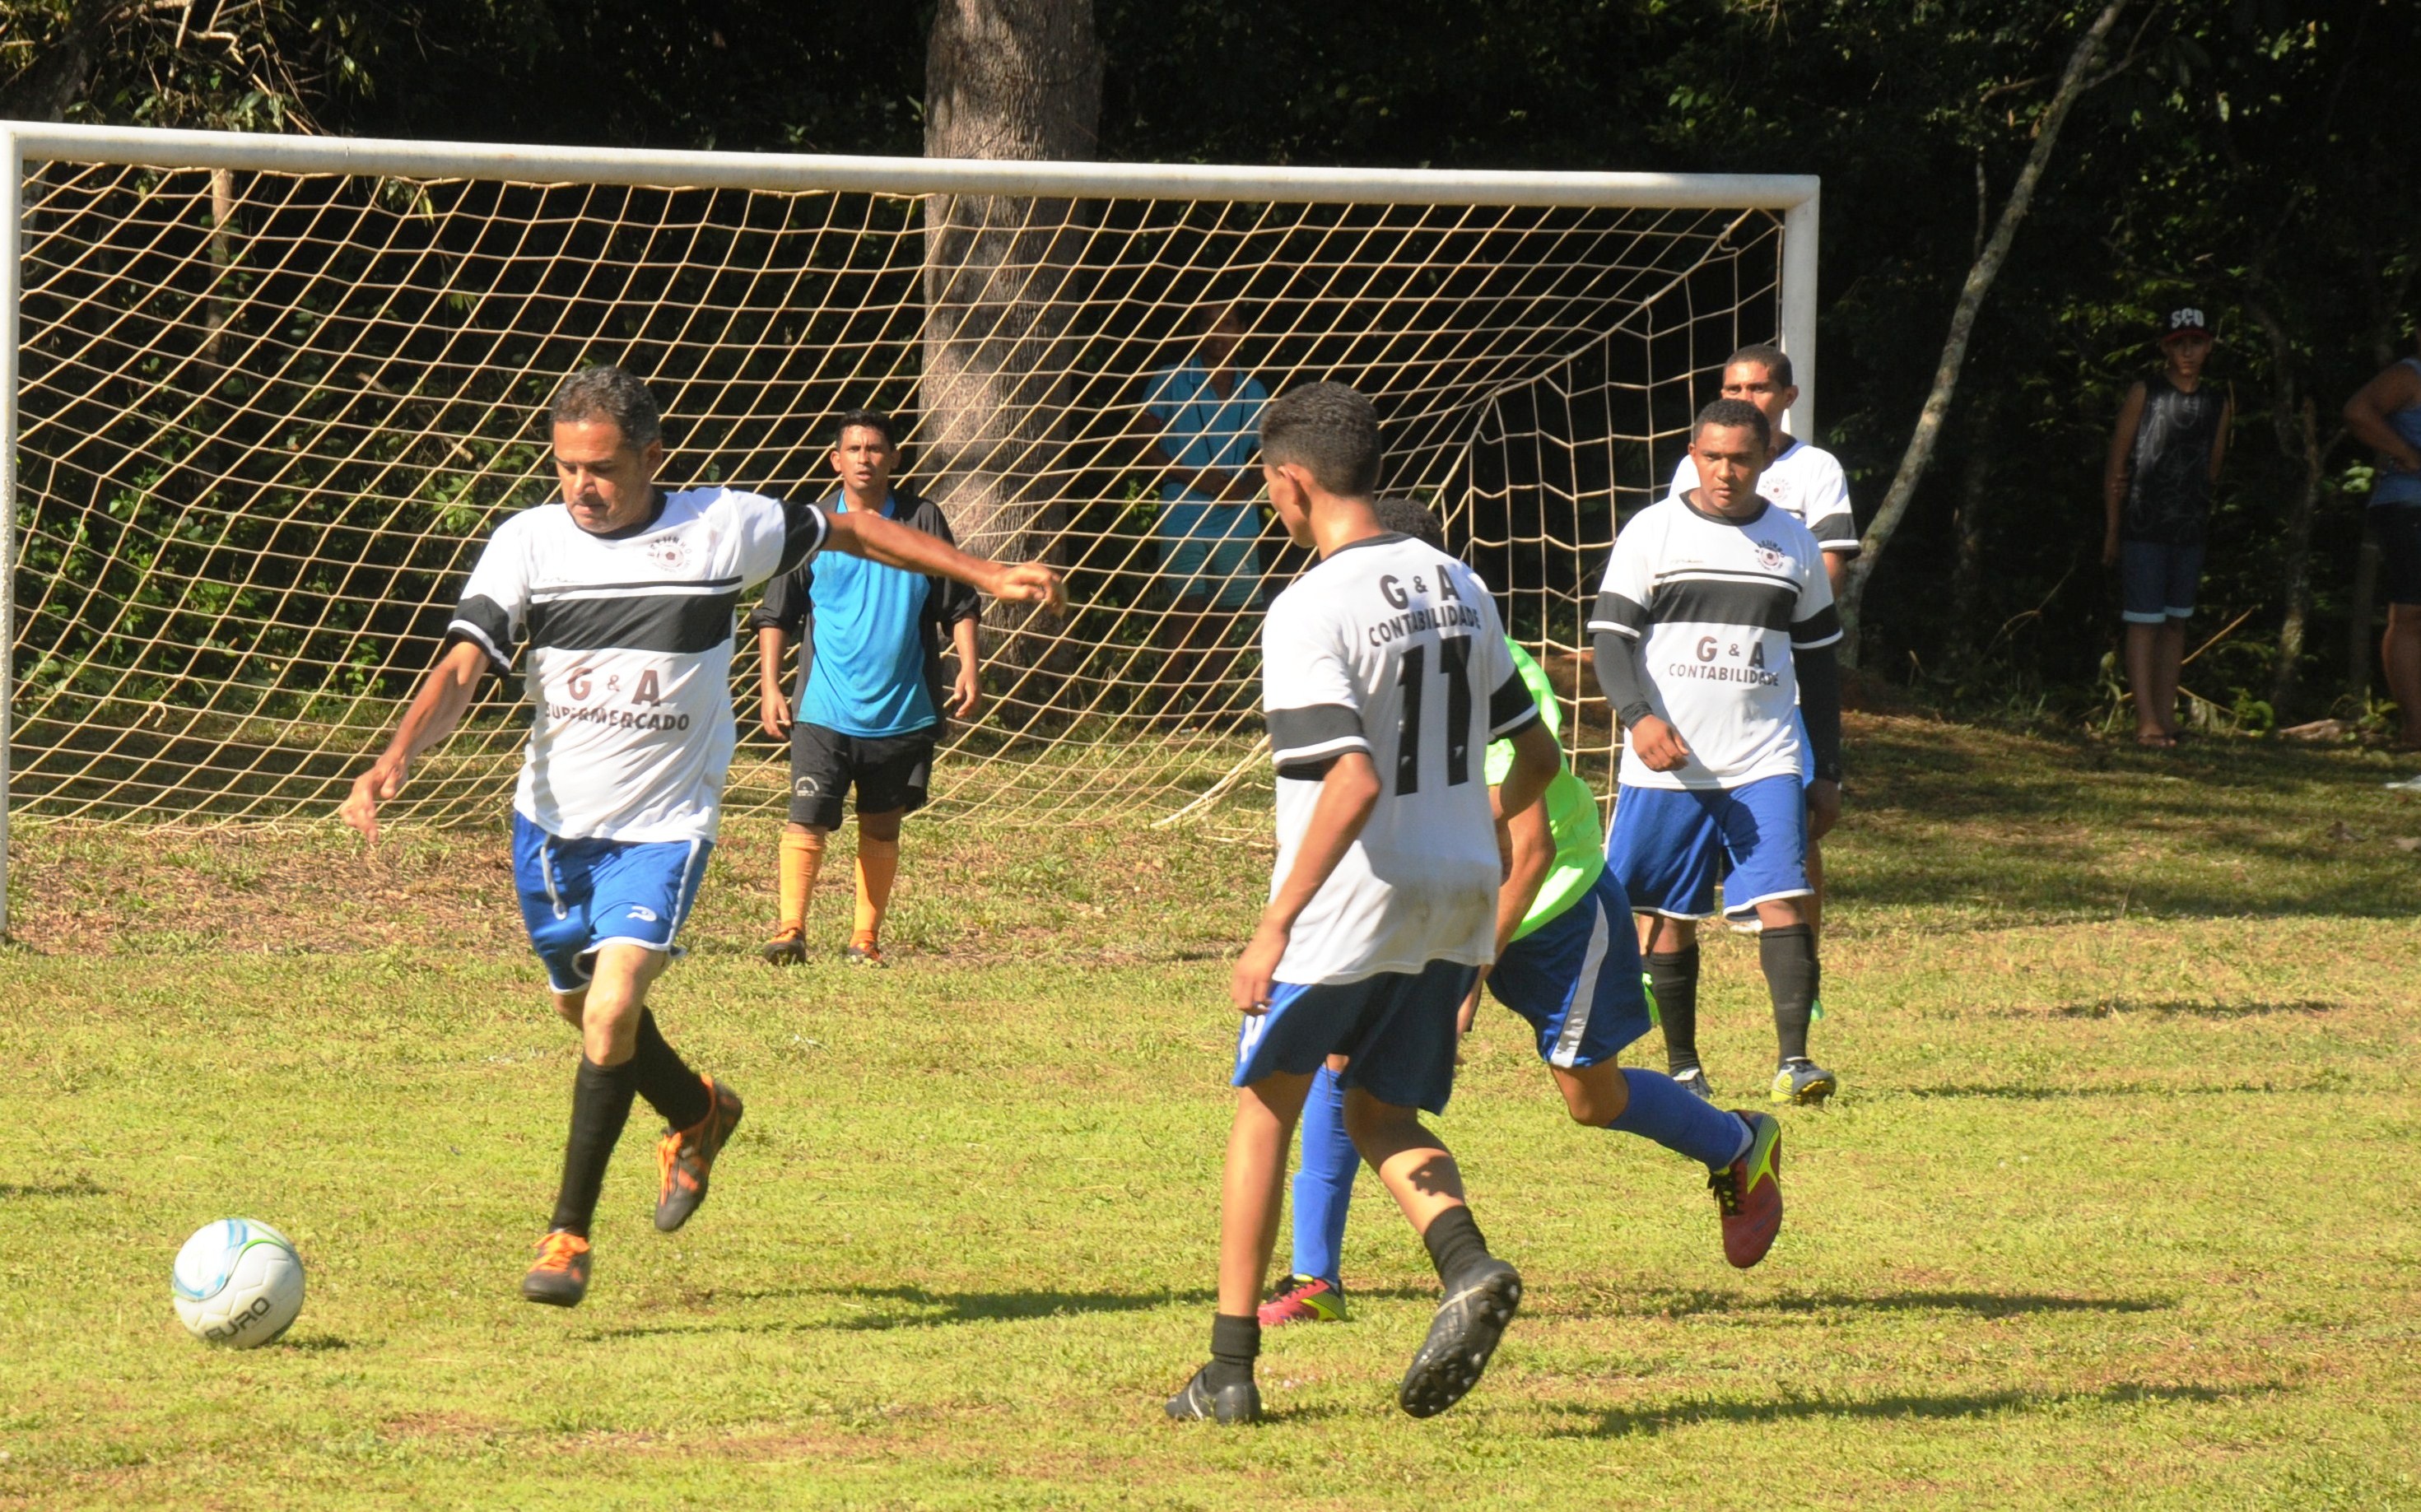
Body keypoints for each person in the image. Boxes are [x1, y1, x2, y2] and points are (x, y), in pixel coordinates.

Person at [338, 367, 1060, 1309]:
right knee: (585, 1013)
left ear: (653, 457)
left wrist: (982, 574)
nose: (581, 487)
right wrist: (396, 755)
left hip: (665, 827)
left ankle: (566, 1234)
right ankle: (697, 1108)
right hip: (550, 828)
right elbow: (465, 665)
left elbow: (853, 528)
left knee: (611, 1010)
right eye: (566, 467)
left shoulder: (721, 526)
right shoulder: (526, 543)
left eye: (602, 468)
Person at [1259, 499, 1785, 1333]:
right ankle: (1314, 1276)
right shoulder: (1368, 658)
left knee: (1591, 1098)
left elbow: (1530, 848)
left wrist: (1470, 967)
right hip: (1438, 903)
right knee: (1342, 1063)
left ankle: (1736, 1143)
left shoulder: (1484, 663)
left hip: (1551, 914)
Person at [1165, 383, 1559, 1426]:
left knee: (1266, 1108)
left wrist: (1272, 925)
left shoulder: (1309, 606)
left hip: (1351, 902)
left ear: (1291, 482)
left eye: (1266, 485)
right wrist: (1469, 828)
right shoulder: (1460, 584)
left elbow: (1350, 779)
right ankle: (1466, 1264)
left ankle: (1229, 1370)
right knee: (1379, 1109)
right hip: (1457, 893)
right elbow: (1540, 757)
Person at [1590, 398, 1846, 1107]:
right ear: (1692, 455)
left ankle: (1795, 1061)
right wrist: (1638, 718)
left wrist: (1827, 768)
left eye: (1740, 458)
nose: (1725, 471)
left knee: (1782, 895)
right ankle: (1683, 1067)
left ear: (1765, 459)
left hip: (1764, 757)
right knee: (1669, 913)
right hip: (1668, 762)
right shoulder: (1653, 530)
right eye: (1712, 457)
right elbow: (1609, 641)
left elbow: (1819, 665)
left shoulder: (1793, 543)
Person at [750, 410, 982, 969]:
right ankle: (790, 929)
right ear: (836, 460)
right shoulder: (813, 525)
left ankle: (864, 939)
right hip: (823, 708)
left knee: (881, 824)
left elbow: (958, 600)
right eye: (853, 449)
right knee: (806, 817)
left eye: (875, 448)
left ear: (894, 458)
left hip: (903, 707)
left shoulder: (922, 519)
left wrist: (969, 666)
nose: (864, 458)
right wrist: (769, 686)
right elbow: (777, 612)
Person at [1668, 344, 1855, 937]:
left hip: (1781, 671)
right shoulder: (1693, 467)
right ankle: (1664, 954)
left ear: (1787, 396)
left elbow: (1828, 567)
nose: (1744, 397)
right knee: (1681, 818)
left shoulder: (1815, 469)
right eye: (1733, 388)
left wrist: (1775, 623)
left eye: (1757, 388)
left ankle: (1802, 953)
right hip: (1702, 675)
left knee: (1796, 820)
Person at [2102, 307, 2232, 748]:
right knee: (2144, 621)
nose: (2188, 352)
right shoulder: (2147, 392)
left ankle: (2167, 716)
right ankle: (2146, 722)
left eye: (2196, 343)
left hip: (2189, 527)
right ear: (2166, 348)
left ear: (2209, 346)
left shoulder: (2217, 402)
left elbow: (2213, 467)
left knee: (2176, 622)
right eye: (2179, 344)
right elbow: (2117, 462)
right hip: (2144, 524)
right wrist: (2113, 528)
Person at [1135, 301, 1271, 713]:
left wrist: (1245, 488)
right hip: (1184, 508)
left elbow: (1268, 455)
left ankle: (1210, 710)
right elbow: (1142, 444)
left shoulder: (1254, 390)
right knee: (1186, 609)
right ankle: (1168, 710)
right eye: (1209, 324)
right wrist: (1197, 478)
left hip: (1236, 514)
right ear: (1196, 329)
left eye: (1227, 324)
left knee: (1226, 615)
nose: (1218, 333)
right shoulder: (1171, 378)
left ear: (1242, 330)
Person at [2342, 338, 2421, 752]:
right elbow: (2358, 411)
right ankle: (2416, 731)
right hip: (2411, 505)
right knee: (2411, 612)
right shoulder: (2409, 375)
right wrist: (2406, 452)